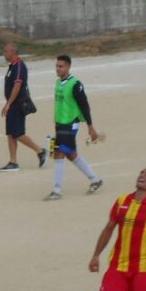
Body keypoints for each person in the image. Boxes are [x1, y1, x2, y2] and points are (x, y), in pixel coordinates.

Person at [46, 54, 103, 199]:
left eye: (61, 66)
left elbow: (84, 105)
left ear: (68, 67)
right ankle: (95, 179)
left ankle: (57, 191)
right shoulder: (58, 83)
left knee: (59, 154)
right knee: (71, 155)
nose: (58, 69)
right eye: (57, 66)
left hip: (71, 124)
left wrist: (90, 126)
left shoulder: (76, 84)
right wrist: (56, 125)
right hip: (60, 124)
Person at [0, 42, 46, 171]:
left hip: (18, 104)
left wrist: (8, 104)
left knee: (18, 133)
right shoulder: (12, 66)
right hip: (12, 104)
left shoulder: (19, 66)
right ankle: (13, 161)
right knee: (10, 133)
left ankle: (40, 151)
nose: (4, 54)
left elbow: (17, 85)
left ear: (13, 52)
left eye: (6, 51)